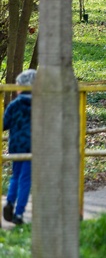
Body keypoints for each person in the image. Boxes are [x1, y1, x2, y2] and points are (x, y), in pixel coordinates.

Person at [4, 69, 35, 226]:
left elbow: (4, 124)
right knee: (26, 179)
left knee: (15, 176)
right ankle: (18, 214)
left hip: (16, 146)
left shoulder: (14, 105)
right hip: (34, 147)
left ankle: (9, 202)